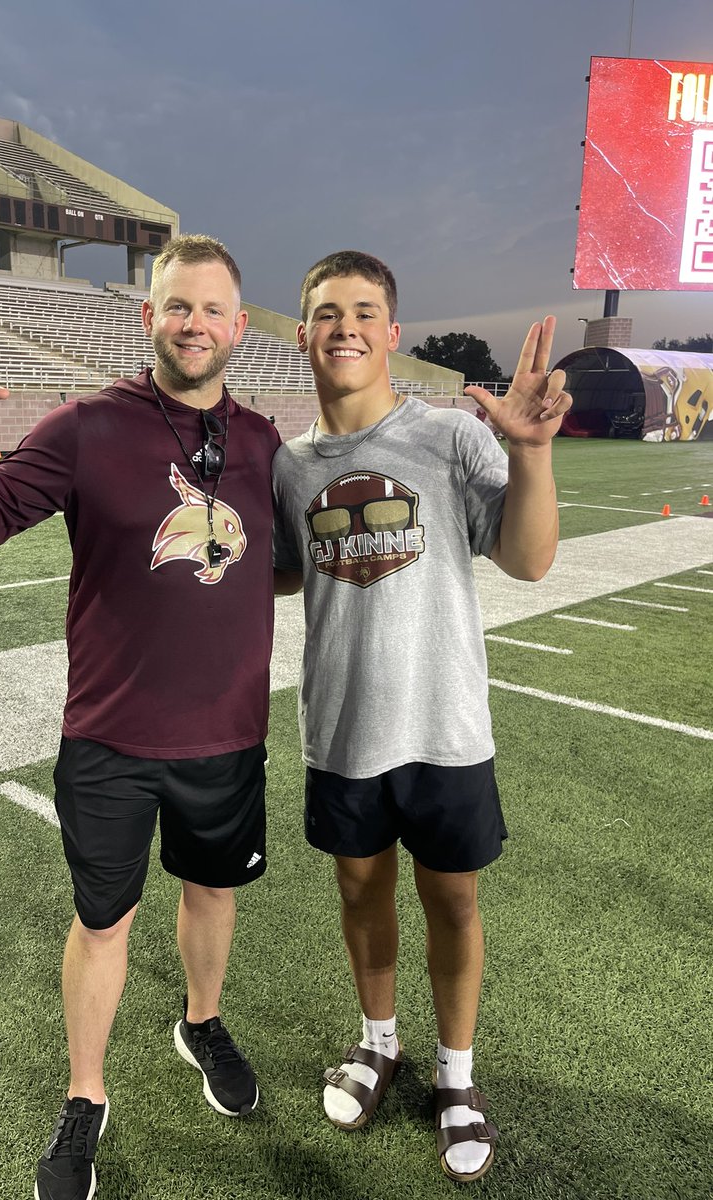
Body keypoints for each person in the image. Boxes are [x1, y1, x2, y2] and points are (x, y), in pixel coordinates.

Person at [0, 235, 281, 1200]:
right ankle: (85, 1097)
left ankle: (201, 1022)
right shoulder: (87, 426)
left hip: (229, 735)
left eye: (212, 310)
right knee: (103, 919)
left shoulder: (267, 442)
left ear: (240, 328)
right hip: (110, 737)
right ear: (146, 316)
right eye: (177, 306)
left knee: (213, 894)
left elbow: (280, 565)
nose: (194, 324)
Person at [272, 251, 571, 1184]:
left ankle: (456, 1076)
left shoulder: (449, 438)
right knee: (361, 894)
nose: (346, 327)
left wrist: (530, 451)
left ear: (393, 332)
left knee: (453, 900)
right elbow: (278, 570)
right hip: (345, 729)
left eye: (365, 311)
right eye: (327, 312)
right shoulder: (288, 466)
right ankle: (378, 1042)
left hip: (443, 724)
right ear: (303, 334)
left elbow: (529, 561)